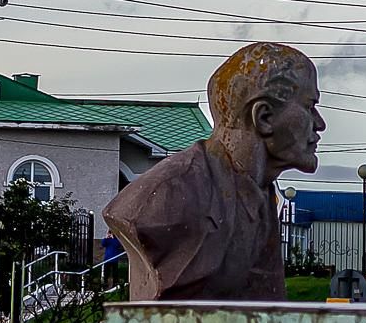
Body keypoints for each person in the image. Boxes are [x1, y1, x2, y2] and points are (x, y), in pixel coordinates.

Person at [104, 42, 325, 301]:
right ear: (263, 117)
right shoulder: (166, 197)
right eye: (309, 106)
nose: (319, 124)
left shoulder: (261, 194)